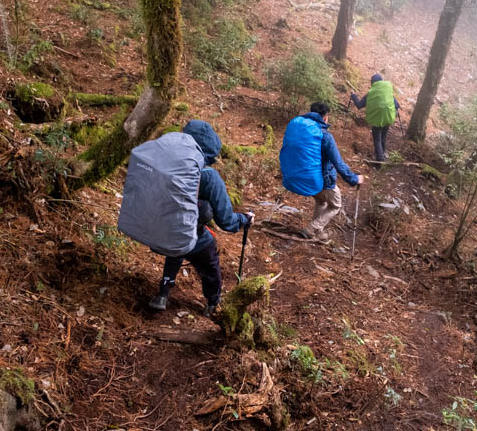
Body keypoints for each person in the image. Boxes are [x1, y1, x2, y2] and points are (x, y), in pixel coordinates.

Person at [148, 120, 253, 316]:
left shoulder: (165, 163)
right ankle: (213, 303)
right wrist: (244, 220)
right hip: (190, 233)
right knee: (210, 262)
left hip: (162, 229)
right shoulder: (208, 176)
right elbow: (226, 221)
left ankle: (162, 294)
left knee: (176, 248)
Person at [279, 102, 363, 241]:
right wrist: (354, 179)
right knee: (335, 205)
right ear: (325, 118)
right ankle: (311, 229)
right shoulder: (325, 136)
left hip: (305, 177)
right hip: (323, 180)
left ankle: (316, 232)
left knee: (321, 202)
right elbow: (338, 163)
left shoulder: (301, 129)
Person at [350, 73, 400, 162]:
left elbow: (359, 105)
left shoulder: (371, 93)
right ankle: (383, 153)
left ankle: (380, 159)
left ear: (372, 83)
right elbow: (396, 104)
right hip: (388, 116)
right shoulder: (387, 91)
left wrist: (353, 95)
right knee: (383, 136)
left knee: (377, 139)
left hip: (377, 118)